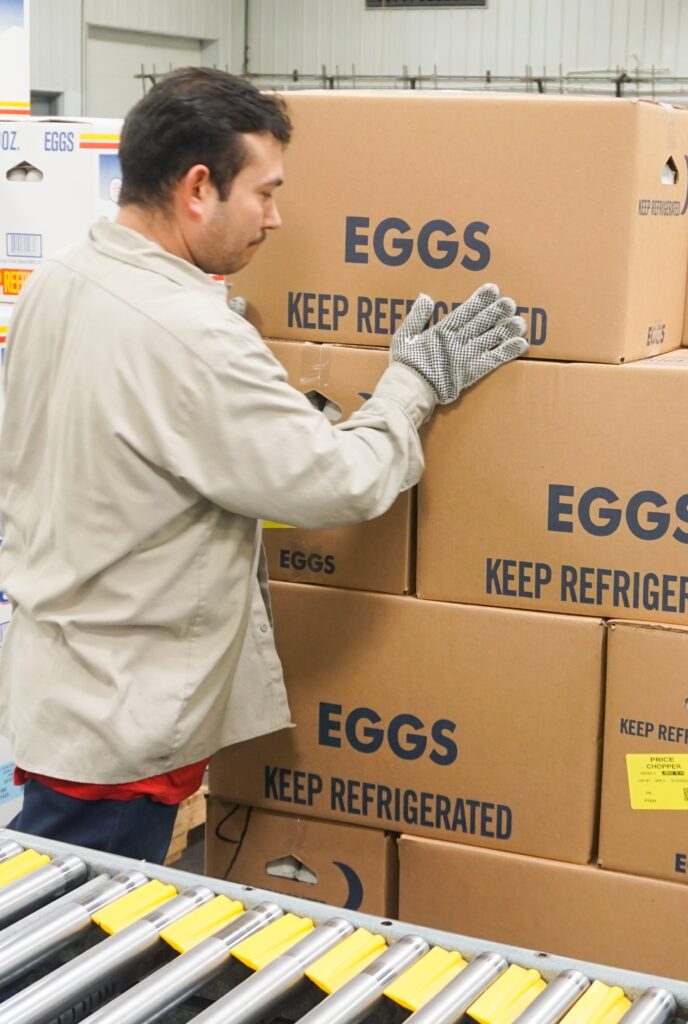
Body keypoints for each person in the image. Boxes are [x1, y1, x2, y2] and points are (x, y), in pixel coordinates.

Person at [0, 68, 527, 862]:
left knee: (55, 903)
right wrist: (412, 385)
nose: (276, 218)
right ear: (199, 188)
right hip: (123, 719)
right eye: (266, 192)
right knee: (69, 951)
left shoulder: (62, 279)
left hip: (62, 684)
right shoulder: (194, 340)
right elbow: (340, 481)